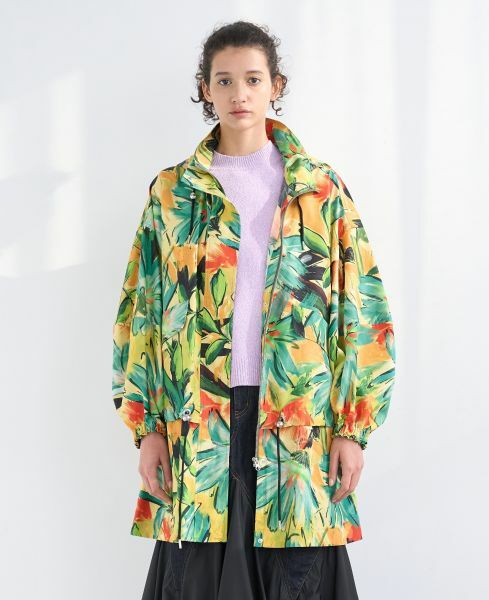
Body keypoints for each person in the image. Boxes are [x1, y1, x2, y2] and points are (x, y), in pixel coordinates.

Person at [111, 20, 396, 600]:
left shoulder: (319, 190)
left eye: (253, 79)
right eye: (224, 80)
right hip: (196, 422)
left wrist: (353, 430)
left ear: (275, 86)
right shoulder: (172, 193)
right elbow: (139, 315)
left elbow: (364, 311)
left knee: (298, 577)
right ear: (205, 89)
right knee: (196, 578)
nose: (238, 94)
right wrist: (147, 429)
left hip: (296, 422)